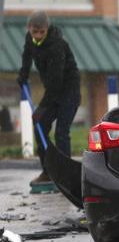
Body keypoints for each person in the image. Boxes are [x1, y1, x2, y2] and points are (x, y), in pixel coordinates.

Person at [16, 11, 81, 184]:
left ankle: (66, 176)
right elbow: (27, 56)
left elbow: (55, 83)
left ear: (47, 29)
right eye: (34, 32)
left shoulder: (56, 45)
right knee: (40, 126)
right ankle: (48, 172)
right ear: (29, 29)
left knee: (61, 132)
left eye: (41, 32)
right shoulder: (30, 40)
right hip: (53, 91)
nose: (37, 36)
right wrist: (23, 75)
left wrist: (42, 108)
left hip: (69, 91)